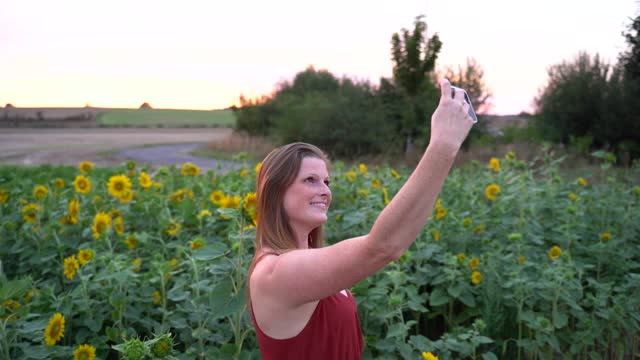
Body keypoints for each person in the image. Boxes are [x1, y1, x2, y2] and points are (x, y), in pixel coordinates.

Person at [247, 78, 475, 359]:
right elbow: (383, 247)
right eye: (310, 180)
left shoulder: (305, 260)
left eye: (326, 182)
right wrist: (442, 147)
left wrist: (444, 156)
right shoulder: (275, 273)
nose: (324, 191)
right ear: (275, 192)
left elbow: (396, 241)